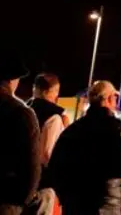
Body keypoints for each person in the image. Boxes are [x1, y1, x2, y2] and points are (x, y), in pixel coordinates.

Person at [48, 81, 121, 215]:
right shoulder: (118, 129)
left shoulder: (73, 130)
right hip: (106, 206)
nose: (116, 101)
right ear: (109, 99)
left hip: (74, 206)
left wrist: (66, 197)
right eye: (115, 97)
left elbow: (55, 167)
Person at [0, 52, 41, 215]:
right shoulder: (21, 113)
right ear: (13, 80)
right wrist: (26, 199)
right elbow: (32, 165)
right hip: (7, 200)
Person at [25, 73, 67, 215]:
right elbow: (49, 154)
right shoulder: (54, 117)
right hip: (42, 183)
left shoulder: (23, 110)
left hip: (20, 179)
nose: (57, 96)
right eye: (56, 91)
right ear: (48, 92)